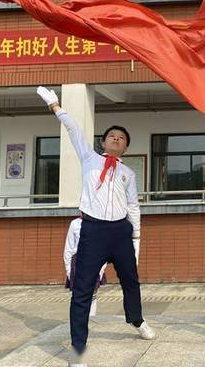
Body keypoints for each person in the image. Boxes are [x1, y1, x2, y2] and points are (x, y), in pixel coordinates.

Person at [36, 86, 154, 367]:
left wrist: (135, 239)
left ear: (126, 146)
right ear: (103, 142)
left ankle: (136, 319)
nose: (116, 139)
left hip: (120, 232)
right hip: (93, 231)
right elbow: (74, 129)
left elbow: (134, 206)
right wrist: (56, 106)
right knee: (83, 289)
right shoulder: (89, 159)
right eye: (112, 136)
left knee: (131, 281)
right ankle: (78, 351)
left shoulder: (128, 173)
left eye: (121, 138)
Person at [64, 217, 140, 317]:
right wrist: (69, 270)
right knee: (79, 295)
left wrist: (100, 270)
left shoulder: (101, 224)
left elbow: (105, 248)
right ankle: (79, 322)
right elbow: (68, 248)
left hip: (95, 260)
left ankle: (91, 319)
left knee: (93, 295)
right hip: (78, 261)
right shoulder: (75, 223)